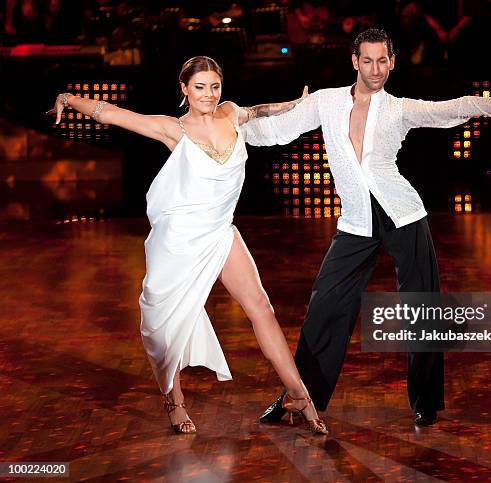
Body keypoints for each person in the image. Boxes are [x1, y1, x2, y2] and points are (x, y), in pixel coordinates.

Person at [243, 28, 491, 426]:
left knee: (422, 306)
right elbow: (275, 130)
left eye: (383, 61)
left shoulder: (399, 108)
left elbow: (453, 108)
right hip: (356, 221)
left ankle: (425, 401)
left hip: (404, 215)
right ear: (355, 61)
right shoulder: (325, 102)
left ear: (392, 63)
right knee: (325, 307)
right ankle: (301, 398)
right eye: (367, 60)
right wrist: (225, 132)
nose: (375, 69)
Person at [46, 56, 328, 435]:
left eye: (214, 86)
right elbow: (111, 113)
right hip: (178, 240)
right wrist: (69, 98)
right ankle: (174, 401)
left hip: (219, 232)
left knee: (261, 307)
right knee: (169, 325)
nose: (209, 95)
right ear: (184, 89)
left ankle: (298, 395)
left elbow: (257, 111)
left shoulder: (230, 114)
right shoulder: (173, 129)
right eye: (200, 87)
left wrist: (293, 105)